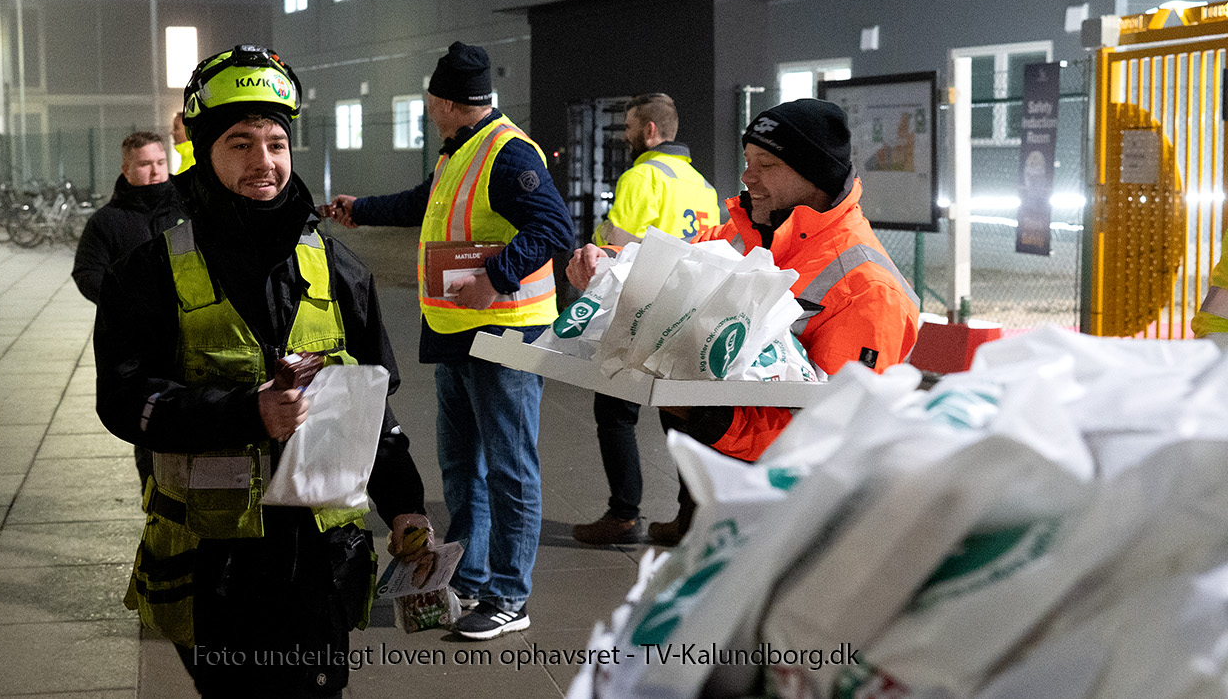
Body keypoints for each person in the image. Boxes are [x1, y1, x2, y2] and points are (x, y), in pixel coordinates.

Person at [93, 44, 432, 697]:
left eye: (276, 142)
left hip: (321, 561)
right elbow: (123, 400)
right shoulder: (148, 273)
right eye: (241, 143)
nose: (264, 162)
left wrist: (406, 508)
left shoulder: (338, 268)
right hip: (215, 567)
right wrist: (244, 412)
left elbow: (373, 409)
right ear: (204, 150)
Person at [567, 98, 920, 545]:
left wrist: (707, 415)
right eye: (748, 161)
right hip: (718, 487)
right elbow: (673, 262)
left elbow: (832, 436)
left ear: (814, 174)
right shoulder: (743, 232)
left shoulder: (868, 289)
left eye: (766, 164)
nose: (747, 176)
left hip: (785, 523)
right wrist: (608, 262)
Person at [324, 41, 574, 640]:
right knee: (464, 466)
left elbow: (554, 226)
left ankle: (510, 595)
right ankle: (471, 575)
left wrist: (496, 277)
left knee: (511, 468)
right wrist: (363, 209)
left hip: (505, 334)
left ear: (442, 101)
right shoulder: (460, 148)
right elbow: (424, 203)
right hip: (457, 334)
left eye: (429, 98)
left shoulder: (507, 152)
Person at [573, 93, 720, 546]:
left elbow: (618, 243)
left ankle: (623, 514)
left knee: (614, 409)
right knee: (681, 416)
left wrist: (594, 241)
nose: (625, 137)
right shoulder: (702, 184)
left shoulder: (641, 176)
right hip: (691, 311)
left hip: (641, 307)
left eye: (630, 128)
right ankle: (689, 517)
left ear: (650, 131)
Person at [71, 130, 184, 303]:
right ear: (126, 170)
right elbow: (87, 272)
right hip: (134, 325)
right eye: (145, 164)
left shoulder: (189, 206)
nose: (155, 171)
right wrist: (125, 303)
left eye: (161, 163)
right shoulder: (106, 221)